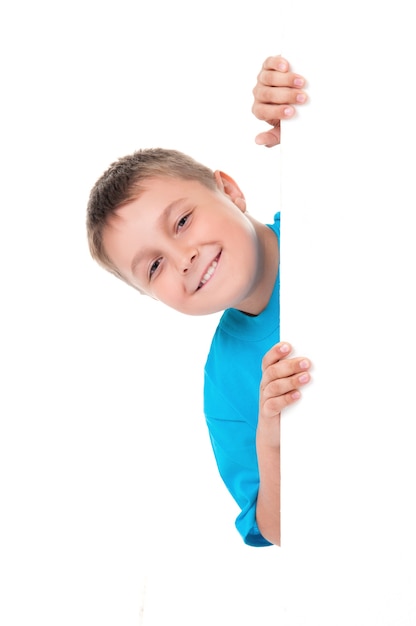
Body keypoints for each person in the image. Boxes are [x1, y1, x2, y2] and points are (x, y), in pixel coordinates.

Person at [86, 55, 311, 547]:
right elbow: (275, 531)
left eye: (182, 222)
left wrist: (313, 123)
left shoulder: (324, 215)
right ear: (150, 296)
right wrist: (272, 438)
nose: (183, 258)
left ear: (228, 190)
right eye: (153, 267)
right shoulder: (227, 385)